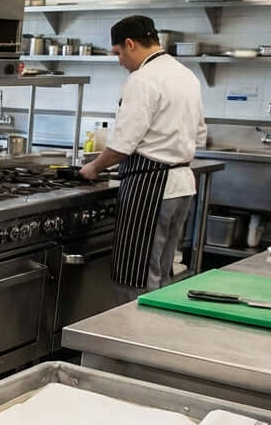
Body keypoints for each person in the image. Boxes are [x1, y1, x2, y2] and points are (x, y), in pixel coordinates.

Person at [79, 15, 207, 305]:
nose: (120, 61)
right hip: (182, 186)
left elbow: (123, 144)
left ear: (130, 44)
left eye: (118, 54)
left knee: (136, 276)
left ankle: (133, 342)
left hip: (151, 189)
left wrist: (93, 168)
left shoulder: (142, 80)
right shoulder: (186, 75)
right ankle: (153, 341)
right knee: (162, 272)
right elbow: (200, 134)